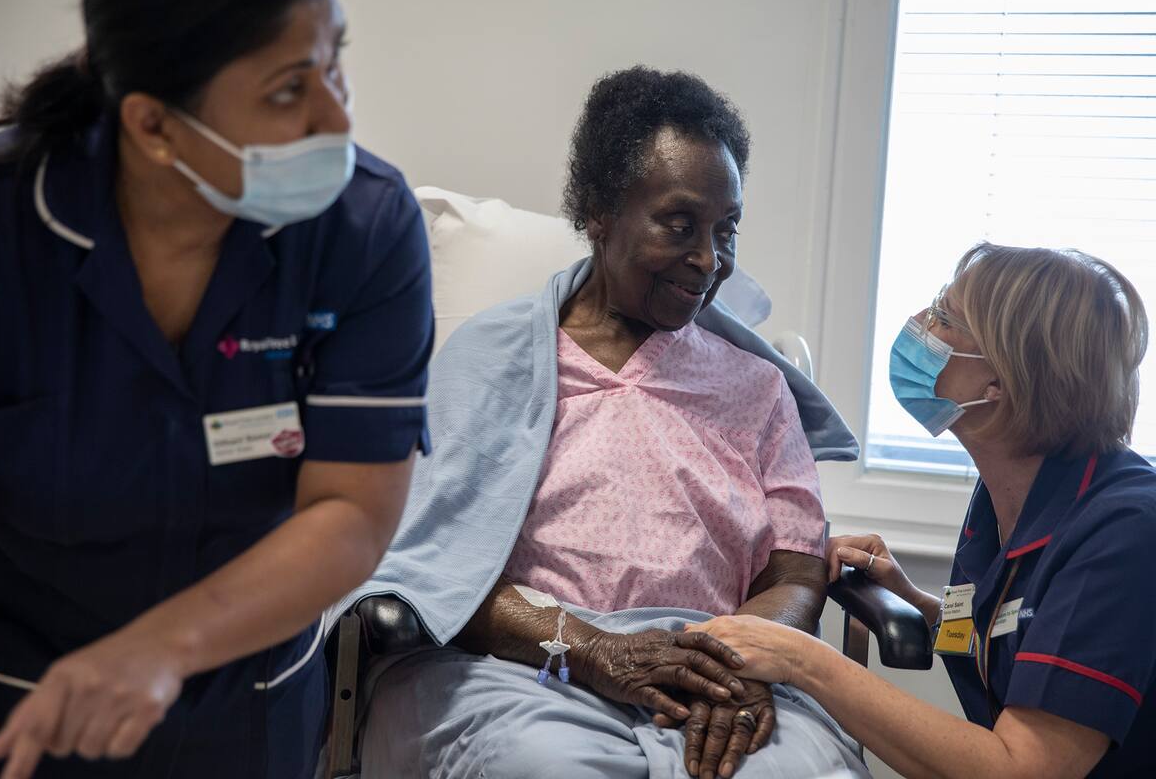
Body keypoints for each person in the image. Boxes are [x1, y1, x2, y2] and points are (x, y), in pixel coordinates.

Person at [0, 0, 433, 778]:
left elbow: (351, 509)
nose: (339, 119)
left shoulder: (366, 230)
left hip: (248, 714)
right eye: (288, 89)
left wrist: (162, 647)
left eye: (333, 63)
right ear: (153, 125)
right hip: (13, 708)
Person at [352, 66, 868, 779]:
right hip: (526, 665)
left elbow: (796, 572)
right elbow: (437, 566)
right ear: (599, 211)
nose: (707, 259)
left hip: (719, 667)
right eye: (679, 225)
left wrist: (743, 663)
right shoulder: (487, 364)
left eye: (727, 231)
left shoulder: (755, 387)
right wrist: (594, 650)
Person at [693, 244, 1156, 777]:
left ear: (999, 382)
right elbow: (1021, 638)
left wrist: (802, 659)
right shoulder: (1008, 495)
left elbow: (1023, 769)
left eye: (944, 319)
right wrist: (913, 598)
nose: (918, 325)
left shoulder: (1121, 533)